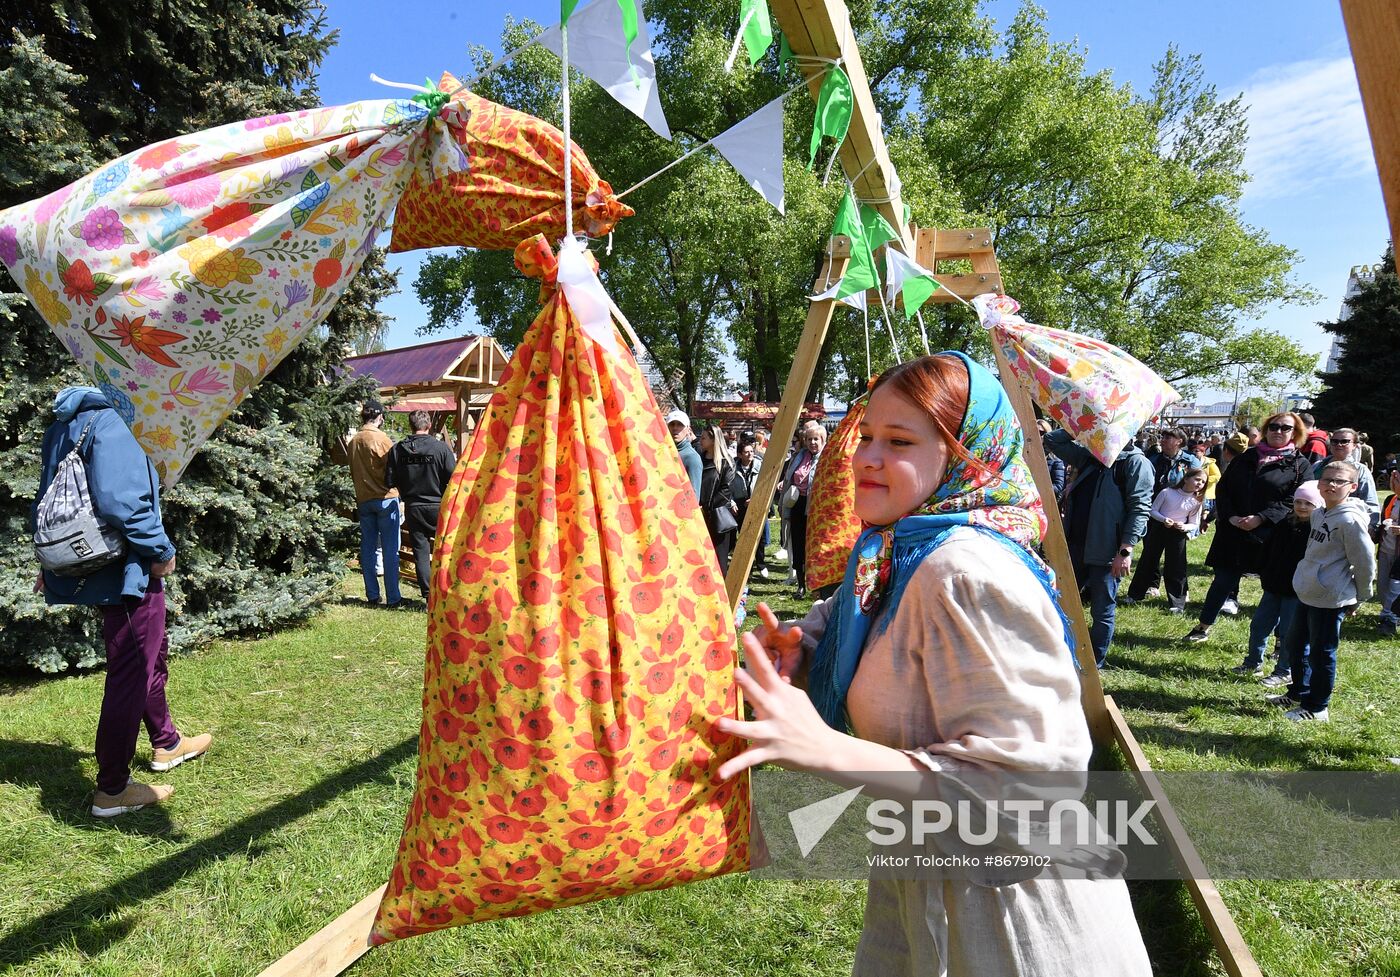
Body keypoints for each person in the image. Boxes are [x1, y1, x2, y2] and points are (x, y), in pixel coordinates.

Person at [716, 353, 1153, 976]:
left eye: (898, 441)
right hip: (930, 878)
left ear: (968, 455)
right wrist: (808, 659)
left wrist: (822, 747)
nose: (865, 457)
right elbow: (899, 664)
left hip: (1013, 915)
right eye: (866, 434)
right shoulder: (900, 550)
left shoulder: (964, 571)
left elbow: (1031, 792)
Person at [35, 387, 211, 817]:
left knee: (148, 655)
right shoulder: (115, 421)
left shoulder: (64, 424)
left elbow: (50, 500)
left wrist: (46, 563)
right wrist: (161, 551)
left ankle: (166, 742)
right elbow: (123, 503)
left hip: (94, 560)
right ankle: (112, 789)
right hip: (126, 568)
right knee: (131, 669)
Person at [1186, 413, 1312, 644]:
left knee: (1275, 589)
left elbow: (1296, 500)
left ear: (1295, 433)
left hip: (1273, 535)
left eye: (1285, 428)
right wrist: (1231, 516)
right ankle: (1203, 626)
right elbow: (1224, 489)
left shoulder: (1299, 465)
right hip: (1234, 531)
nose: (1278, 431)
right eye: (1273, 426)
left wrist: (1262, 518)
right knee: (1222, 581)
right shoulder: (1246, 457)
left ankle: (1279, 642)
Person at [1266, 461, 1377, 722]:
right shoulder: (1319, 514)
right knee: (1295, 644)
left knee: (1321, 652)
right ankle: (1298, 692)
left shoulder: (1350, 520)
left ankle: (1317, 708)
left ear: (1352, 487)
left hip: (1330, 597)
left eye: (1339, 481)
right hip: (1308, 592)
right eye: (1327, 479)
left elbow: (1364, 561)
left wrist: (1361, 596)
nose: (1331, 485)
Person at [1046, 425, 1153, 667]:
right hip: (1075, 546)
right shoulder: (1090, 456)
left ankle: (1094, 664)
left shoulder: (1135, 463)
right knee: (1060, 601)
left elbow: (1139, 509)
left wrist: (1125, 551)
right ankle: (1062, 654)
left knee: (1101, 610)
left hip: (1107, 552)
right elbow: (1053, 440)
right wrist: (1082, 424)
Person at [1238, 481, 1323, 680]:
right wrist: (1263, 570)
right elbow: (1267, 550)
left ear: (1318, 506)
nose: (1302, 507)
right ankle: (1253, 662)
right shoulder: (1284, 524)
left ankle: (1284, 669)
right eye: (1299, 502)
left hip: (1296, 591)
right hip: (1274, 585)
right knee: (1259, 625)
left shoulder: (1317, 530)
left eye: (1308, 504)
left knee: (1288, 631)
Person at [385, 409, 457, 599]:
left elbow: (389, 480)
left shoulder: (397, 450)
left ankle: (428, 594)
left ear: (410, 425)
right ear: (429, 425)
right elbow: (455, 477)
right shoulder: (440, 448)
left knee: (420, 552)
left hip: (413, 507)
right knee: (445, 549)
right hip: (438, 506)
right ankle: (446, 590)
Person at [1124, 468, 1206, 613]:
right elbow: (1152, 510)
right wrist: (1164, 519)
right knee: (1148, 560)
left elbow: (1194, 523)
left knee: (1176, 566)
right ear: (1186, 478)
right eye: (1197, 479)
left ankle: (1177, 603)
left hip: (1178, 534)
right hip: (1159, 529)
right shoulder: (1167, 492)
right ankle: (1135, 595)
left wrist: (1184, 526)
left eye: (1203, 482)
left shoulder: (1196, 501)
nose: (1200, 483)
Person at [348, 400, 402, 607]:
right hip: (385, 499)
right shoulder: (381, 438)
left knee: (368, 548)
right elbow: (392, 468)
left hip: (363, 499)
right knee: (390, 549)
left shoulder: (354, 441)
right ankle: (393, 597)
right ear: (379, 417)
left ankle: (372, 594)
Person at [780, 421, 825, 597]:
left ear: (822, 440)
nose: (812, 443)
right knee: (798, 545)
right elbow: (790, 477)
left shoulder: (826, 457)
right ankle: (801, 585)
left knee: (815, 546)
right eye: (809, 439)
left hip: (817, 507)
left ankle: (818, 586)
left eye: (816, 439)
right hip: (798, 504)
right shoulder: (799, 456)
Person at [1312, 428, 1380, 529]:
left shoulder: (1360, 470)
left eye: (1344, 441)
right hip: (1314, 520)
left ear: (1354, 446)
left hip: (1344, 525)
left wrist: (1372, 527)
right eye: (1334, 441)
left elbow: (1370, 502)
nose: (1339, 444)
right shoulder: (1317, 466)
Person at [697, 422, 737, 572]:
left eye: (704, 438)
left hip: (717, 516)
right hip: (699, 514)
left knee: (719, 560)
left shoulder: (727, 463)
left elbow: (726, 489)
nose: (701, 441)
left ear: (714, 440)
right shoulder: (699, 460)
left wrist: (708, 507)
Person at [732, 437, 767, 578]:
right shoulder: (733, 467)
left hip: (756, 502)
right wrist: (732, 502)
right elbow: (728, 486)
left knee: (759, 535)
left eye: (751, 451)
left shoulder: (760, 465)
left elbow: (765, 484)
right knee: (744, 535)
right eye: (746, 452)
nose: (750, 454)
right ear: (739, 454)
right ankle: (748, 566)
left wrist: (755, 500)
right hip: (739, 505)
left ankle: (761, 563)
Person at [1376, 468, 1400, 637]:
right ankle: (1390, 613)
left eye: (1397, 478)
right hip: (1386, 549)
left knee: (1395, 586)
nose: (1394, 481)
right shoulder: (1391, 499)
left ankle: (1389, 618)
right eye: (1393, 478)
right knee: (1382, 585)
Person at [666, 409, 703, 497]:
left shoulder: (692, 458)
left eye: (680, 425)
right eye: (672, 424)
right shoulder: (662, 452)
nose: (675, 428)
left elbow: (694, 496)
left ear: (688, 429)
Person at [1036, 419, 1067, 502]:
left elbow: (1058, 486)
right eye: (1036, 432)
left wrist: (1037, 488)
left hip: (1045, 502)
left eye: (1042, 433)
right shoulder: (1023, 455)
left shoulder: (1055, 460)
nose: (1039, 436)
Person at [1192, 440, 1222, 527]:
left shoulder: (1209, 463)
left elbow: (1217, 475)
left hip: (1207, 491)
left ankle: (1203, 524)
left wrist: (1205, 480)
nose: (1194, 453)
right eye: (1193, 451)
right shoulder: (1192, 462)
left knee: (1205, 511)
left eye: (1197, 451)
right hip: (1195, 490)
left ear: (1203, 453)